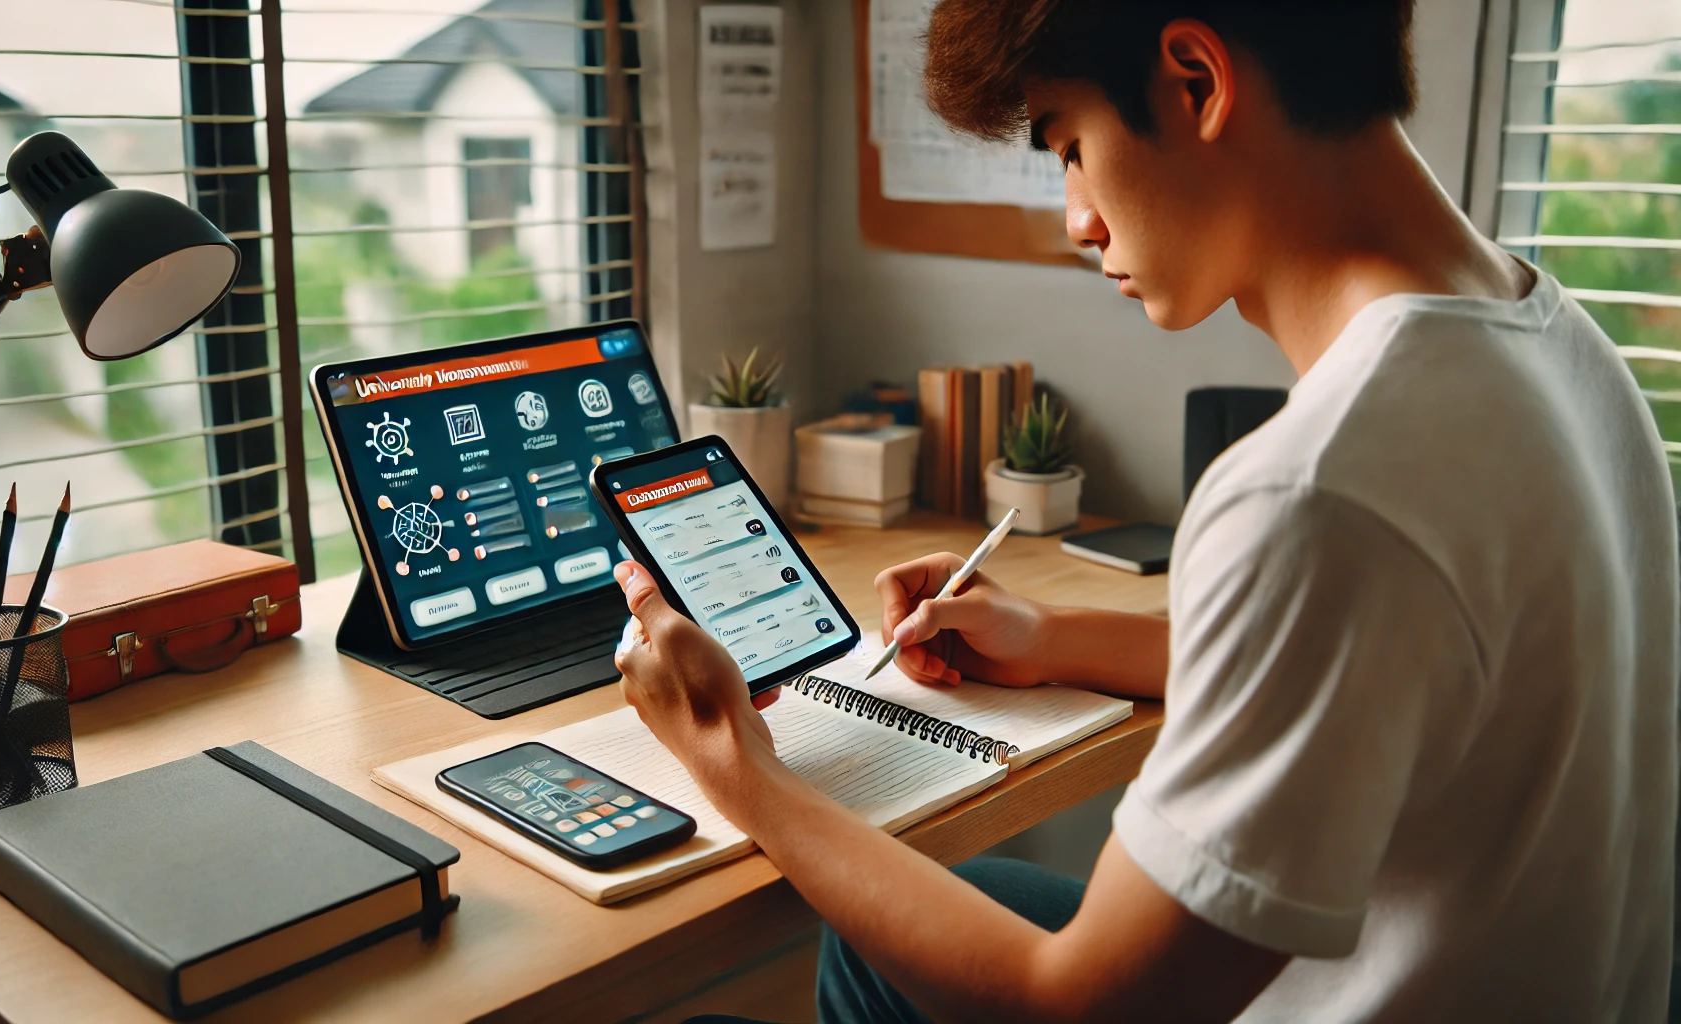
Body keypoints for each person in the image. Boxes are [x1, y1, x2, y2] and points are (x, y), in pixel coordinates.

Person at [613, 1, 1678, 1020]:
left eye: (1068, 145)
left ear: (1196, 81)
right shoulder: (1560, 343)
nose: (1077, 219)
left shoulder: (1321, 488)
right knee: (883, 936)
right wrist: (1051, 637)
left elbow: (1071, 1004)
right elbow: (1407, 667)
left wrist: (732, 762)